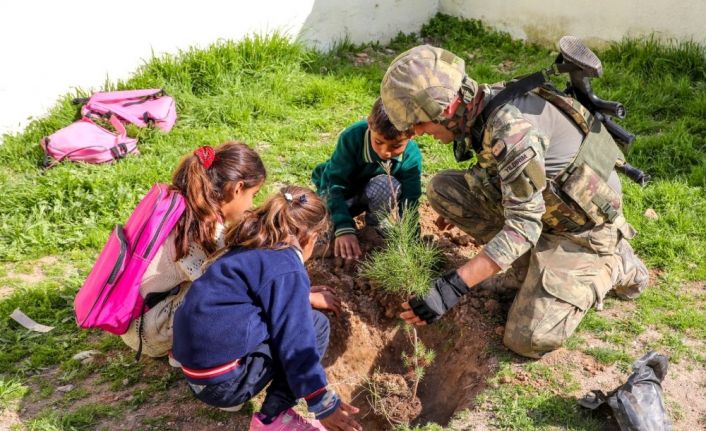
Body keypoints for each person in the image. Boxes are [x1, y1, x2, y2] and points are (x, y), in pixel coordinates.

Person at [380, 45, 649, 358]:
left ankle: (617, 262)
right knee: (445, 190)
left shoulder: (512, 131)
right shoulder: (485, 105)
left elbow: (523, 225)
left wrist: (451, 288)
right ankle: (528, 269)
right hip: (545, 211)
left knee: (529, 338)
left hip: (582, 233)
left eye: (420, 124)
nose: (417, 134)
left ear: (449, 109)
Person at [171, 186, 361, 431]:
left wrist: (299, 296)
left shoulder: (252, 243)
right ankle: (274, 419)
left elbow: (254, 297)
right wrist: (321, 401)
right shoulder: (286, 266)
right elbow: (297, 340)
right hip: (222, 385)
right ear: (310, 236)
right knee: (316, 324)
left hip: (195, 371)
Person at [121, 142, 267, 358]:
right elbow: (224, 288)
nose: (252, 203)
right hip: (150, 333)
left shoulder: (181, 202)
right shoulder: (202, 229)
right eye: (253, 194)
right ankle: (183, 355)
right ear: (237, 189)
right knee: (235, 294)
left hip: (136, 317)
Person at [312, 97, 422, 260]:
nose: (385, 152)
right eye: (378, 142)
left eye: (396, 146)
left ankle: (374, 224)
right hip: (341, 195)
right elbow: (332, 184)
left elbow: (410, 201)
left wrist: (410, 240)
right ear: (369, 124)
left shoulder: (411, 156)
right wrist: (343, 227)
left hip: (369, 194)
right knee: (322, 229)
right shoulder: (352, 137)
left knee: (390, 184)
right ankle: (334, 222)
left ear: (412, 135)